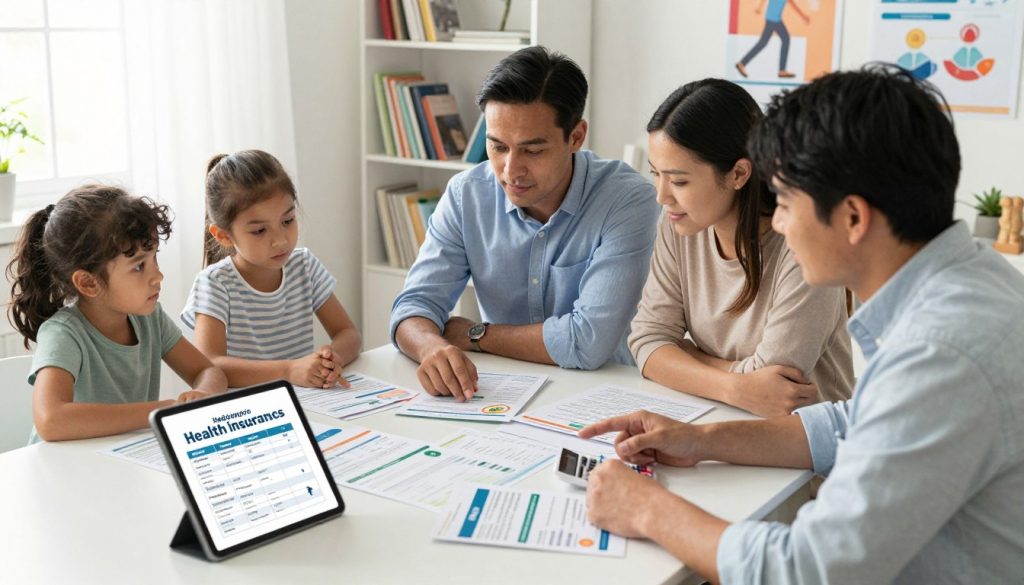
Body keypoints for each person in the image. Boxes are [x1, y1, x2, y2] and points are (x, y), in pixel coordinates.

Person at [580, 65, 1024, 583]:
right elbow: (851, 423)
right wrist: (700, 440)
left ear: (853, 218)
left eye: (787, 202)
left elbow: (810, 569)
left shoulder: (941, 352)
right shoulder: (970, 279)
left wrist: (647, 510)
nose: (781, 222)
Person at [390, 46, 659, 400]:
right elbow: (413, 307)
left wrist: (475, 334)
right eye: (497, 147)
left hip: (603, 395)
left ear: (576, 136)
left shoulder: (627, 200)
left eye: (532, 150)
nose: (510, 170)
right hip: (498, 393)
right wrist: (430, 347)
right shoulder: (465, 195)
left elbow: (588, 342)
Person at [632, 78, 852, 417]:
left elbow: (776, 388)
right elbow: (646, 341)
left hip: (807, 448)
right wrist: (735, 386)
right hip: (716, 419)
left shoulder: (803, 244)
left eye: (678, 181)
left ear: (738, 174)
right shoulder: (677, 225)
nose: (662, 196)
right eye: (655, 175)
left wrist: (687, 357)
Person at [8, 185, 228, 443]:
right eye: (139, 267)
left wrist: (203, 393)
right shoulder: (63, 334)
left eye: (154, 258)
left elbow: (208, 371)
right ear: (88, 283)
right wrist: (159, 411)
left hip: (122, 458)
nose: (158, 276)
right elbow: (51, 420)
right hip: (64, 470)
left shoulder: (149, 318)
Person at [182, 150, 362, 389]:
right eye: (259, 231)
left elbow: (349, 334)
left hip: (307, 399)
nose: (280, 240)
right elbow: (209, 365)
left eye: (287, 221)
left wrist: (330, 359)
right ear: (224, 236)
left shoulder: (304, 266)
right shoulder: (215, 284)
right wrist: (288, 370)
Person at [735, 0, 810, 79]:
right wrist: (804, 16)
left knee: (766, 42)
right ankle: (781, 70)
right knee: (782, 40)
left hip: (773, 18)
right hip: (774, 20)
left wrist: (759, 7)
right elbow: (793, 5)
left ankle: (742, 63)